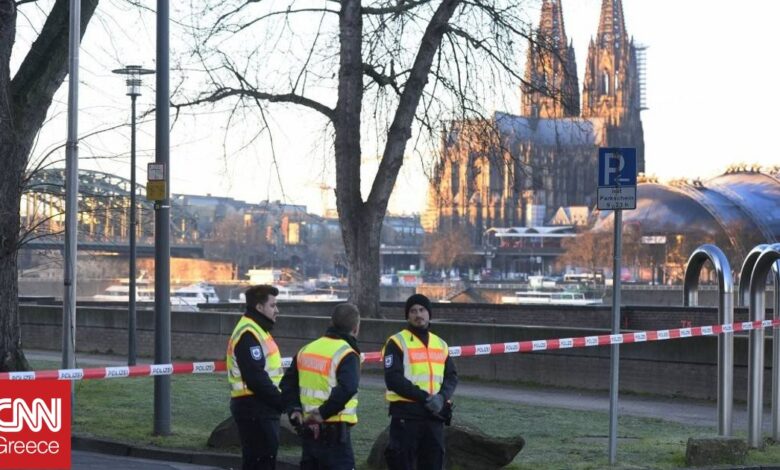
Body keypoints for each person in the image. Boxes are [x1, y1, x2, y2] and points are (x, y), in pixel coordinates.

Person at [280, 303, 361, 470]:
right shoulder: (347, 354)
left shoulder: (306, 350)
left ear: (331, 322)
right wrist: (322, 413)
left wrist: (294, 409)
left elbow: (288, 383)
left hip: (309, 433)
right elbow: (348, 388)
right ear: (356, 328)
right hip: (335, 435)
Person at [382, 293, 458, 470]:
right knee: (402, 464)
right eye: (413, 311)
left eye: (422, 310)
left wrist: (441, 397)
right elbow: (393, 379)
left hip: (434, 416)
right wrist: (426, 398)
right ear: (407, 316)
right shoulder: (397, 342)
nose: (418, 315)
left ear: (429, 313)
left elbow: (451, 376)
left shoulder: (440, 344)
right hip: (407, 415)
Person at [226, 285, 285, 470]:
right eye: (272, 305)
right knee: (260, 463)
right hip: (255, 407)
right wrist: (281, 401)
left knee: (260, 461)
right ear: (259, 307)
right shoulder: (249, 333)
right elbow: (256, 377)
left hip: (259, 406)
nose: (277, 310)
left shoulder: (257, 329)